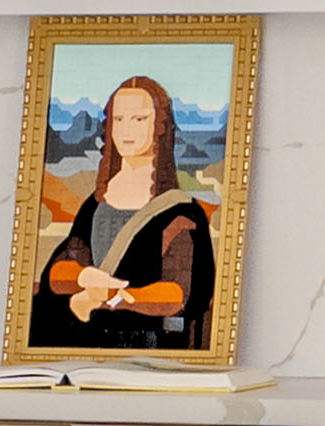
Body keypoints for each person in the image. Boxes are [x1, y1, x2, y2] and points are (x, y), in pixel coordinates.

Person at [24, 68, 215, 355]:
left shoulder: (181, 211)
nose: (127, 130)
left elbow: (178, 293)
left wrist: (115, 297)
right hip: (84, 340)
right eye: (119, 119)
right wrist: (83, 277)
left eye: (139, 119)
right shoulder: (97, 202)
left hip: (147, 344)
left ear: (160, 126)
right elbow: (60, 269)